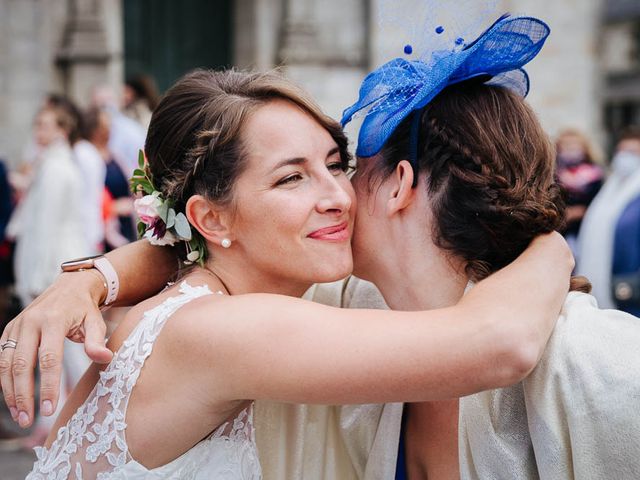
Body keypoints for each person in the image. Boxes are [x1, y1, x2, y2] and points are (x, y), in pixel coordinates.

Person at [0, 64, 572, 478]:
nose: (338, 197)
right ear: (210, 217)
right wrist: (546, 240)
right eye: (290, 178)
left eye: (334, 164)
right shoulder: (223, 330)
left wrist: (95, 277)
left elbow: (181, 249)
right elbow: (502, 344)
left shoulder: (200, 296)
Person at [577, 128, 640, 309]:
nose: (625, 157)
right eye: (622, 151)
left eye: (633, 152)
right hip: (606, 284)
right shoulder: (609, 190)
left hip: (629, 288)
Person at [554, 129, 604, 257]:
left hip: (586, 228)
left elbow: (601, 202)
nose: (570, 149)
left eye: (574, 145)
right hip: (561, 229)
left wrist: (579, 211)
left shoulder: (595, 174)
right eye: (566, 145)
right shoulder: (554, 174)